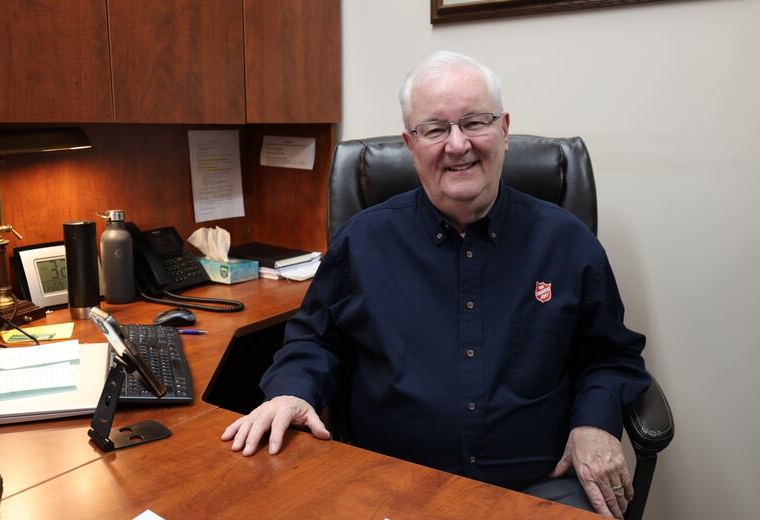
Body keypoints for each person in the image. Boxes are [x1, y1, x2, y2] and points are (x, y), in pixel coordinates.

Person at [222, 50, 650, 518]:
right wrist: (292, 390)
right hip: (386, 486)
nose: (458, 144)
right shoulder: (364, 241)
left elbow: (609, 355)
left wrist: (596, 421)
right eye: (435, 129)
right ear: (411, 143)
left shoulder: (568, 242)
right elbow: (315, 341)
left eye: (475, 122)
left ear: (504, 129)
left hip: (535, 489)